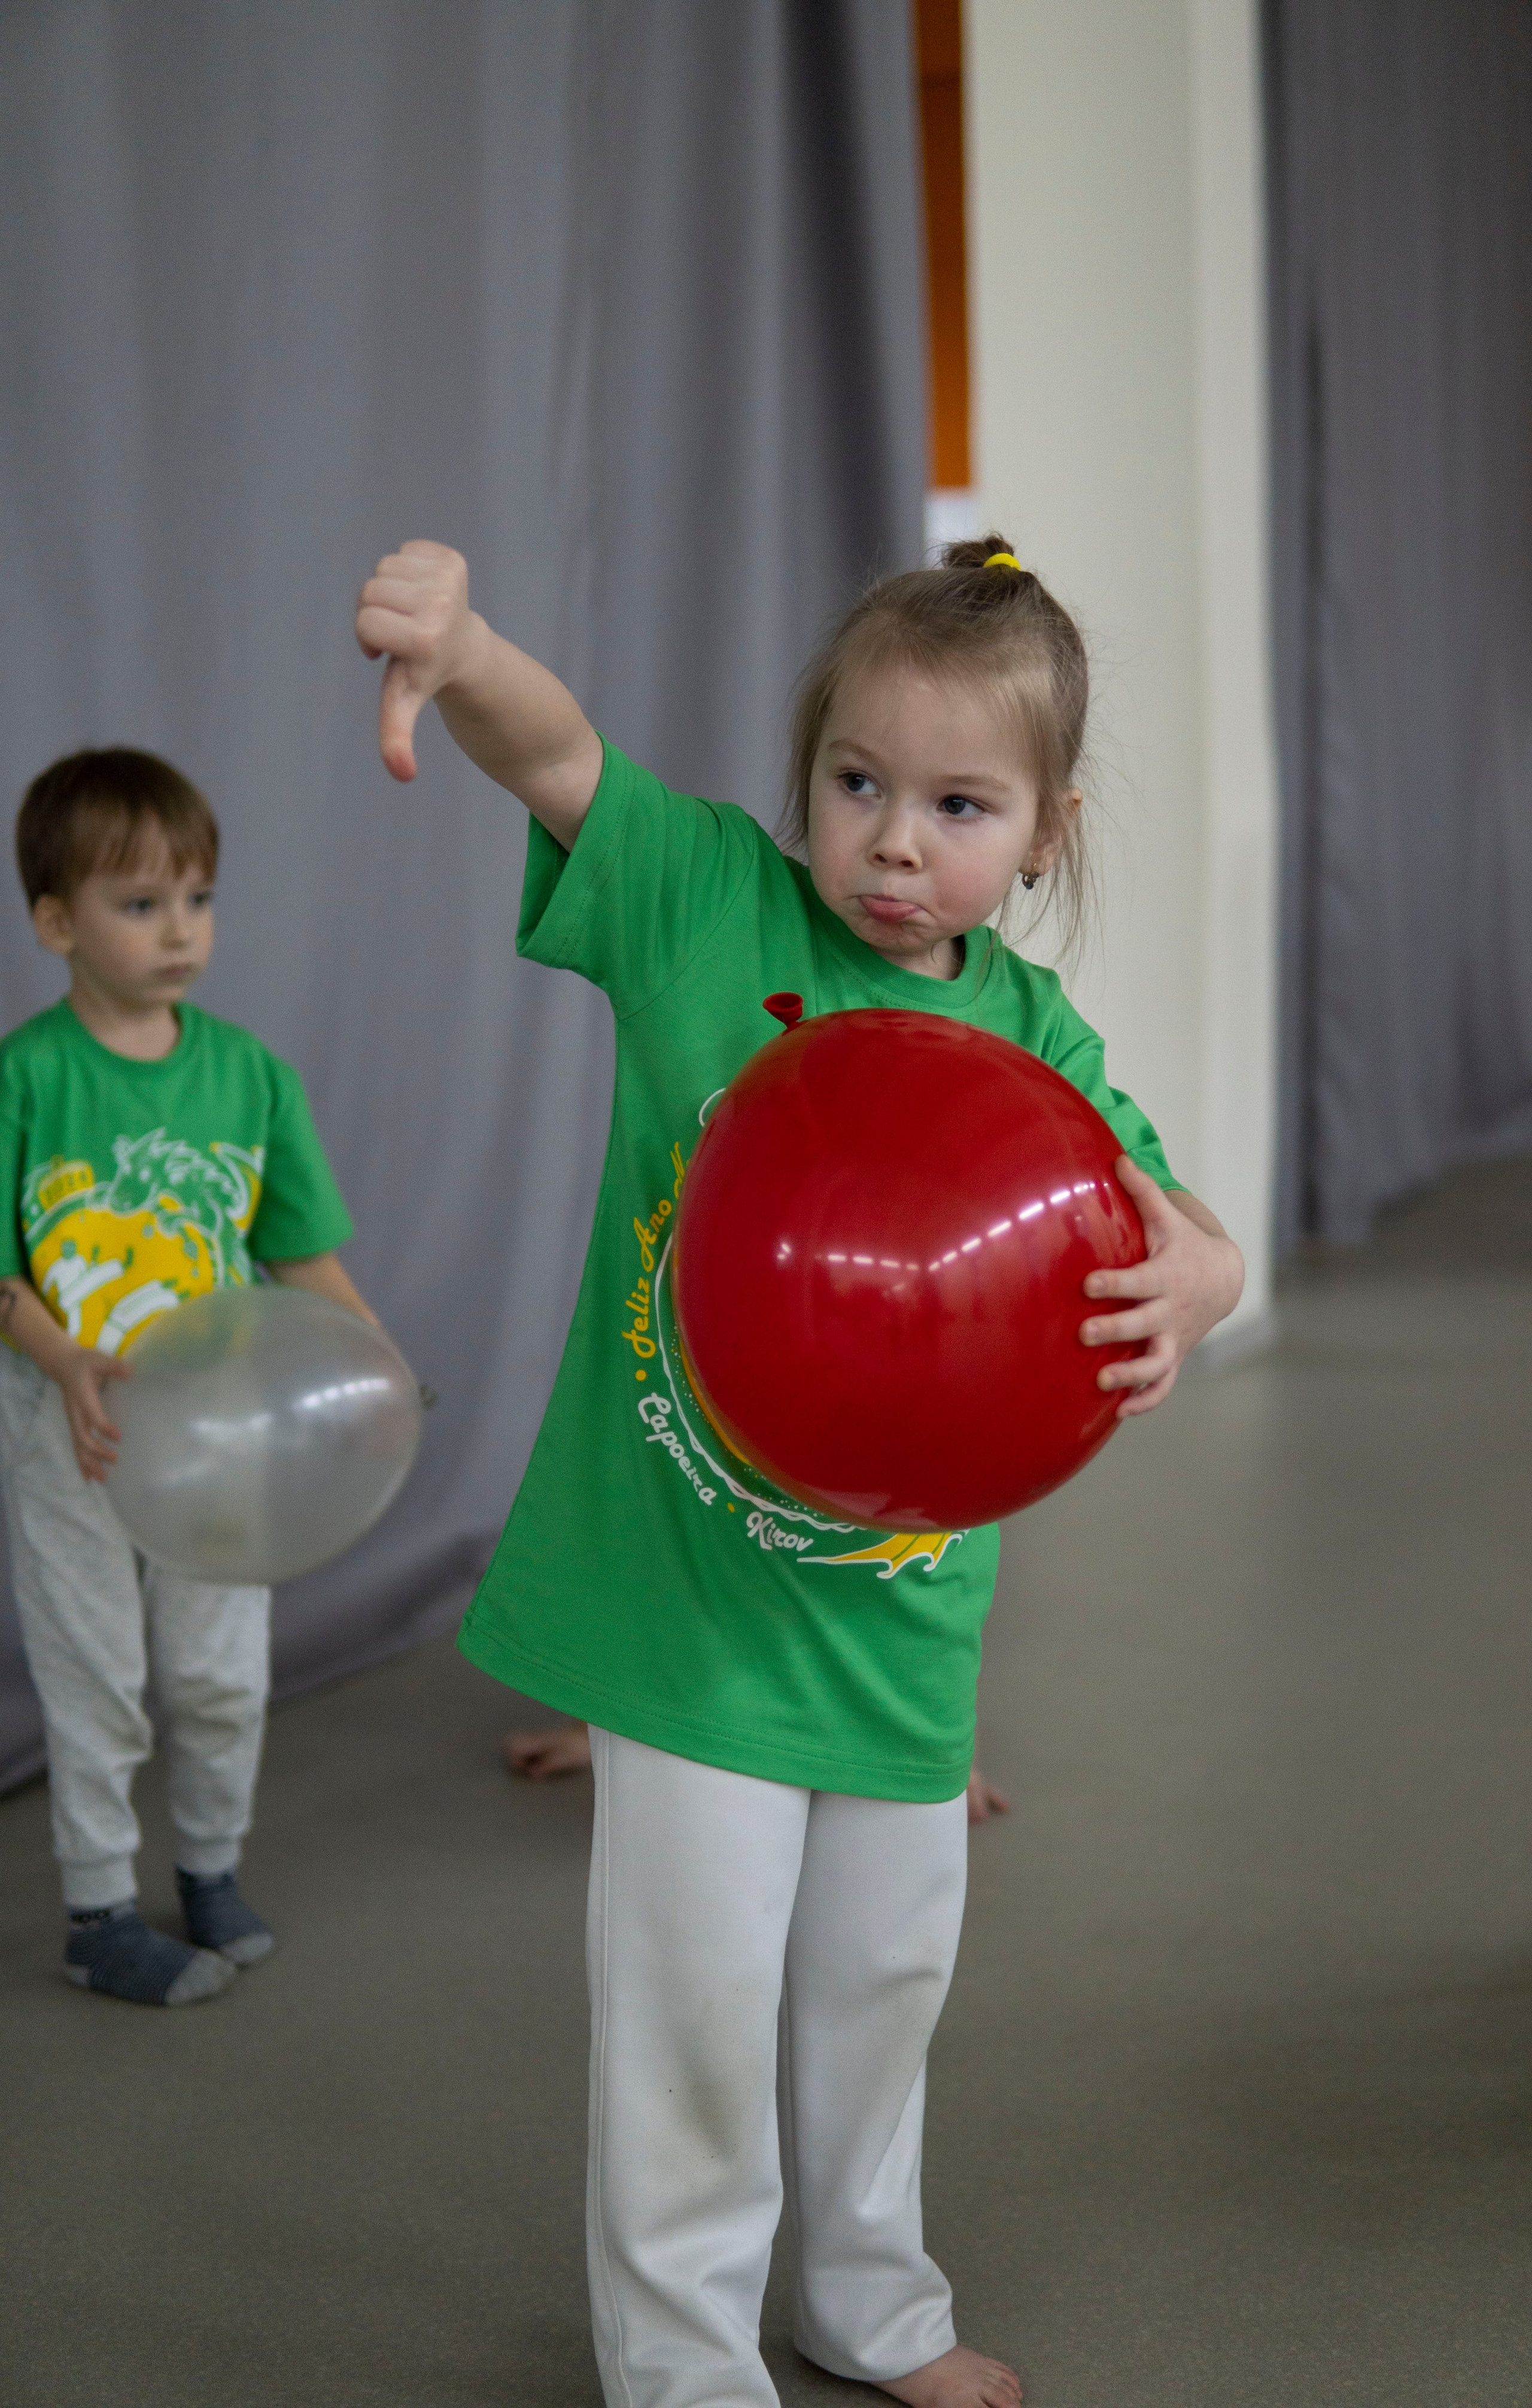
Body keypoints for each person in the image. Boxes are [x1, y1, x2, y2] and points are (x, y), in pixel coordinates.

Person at [355, 536, 1244, 2408]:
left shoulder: (1037, 1043)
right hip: (690, 1624)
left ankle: (869, 2298)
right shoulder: (707, 910)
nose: (895, 842)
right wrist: (470, 650)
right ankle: (684, 2365)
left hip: (904, 1638)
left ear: (1047, 835)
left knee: (877, 1991)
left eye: (959, 805)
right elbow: (561, 757)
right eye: (858, 781)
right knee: (689, 2016)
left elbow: (1180, 1231)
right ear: (807, 775)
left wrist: (1206, 1284)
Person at [0, 749, 379, 2008]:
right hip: (77, 1430)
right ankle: (99, 1912)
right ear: (57, 922)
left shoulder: (249, 1076)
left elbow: (299, 1254)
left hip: (216, 1433)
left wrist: (377, 1368)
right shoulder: (26, 1078)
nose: (180, 930)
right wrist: (62, 1356)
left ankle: (210, 1867)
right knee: (94, 1676)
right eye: (141, 903)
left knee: (221, 1672)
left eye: (198, 899)